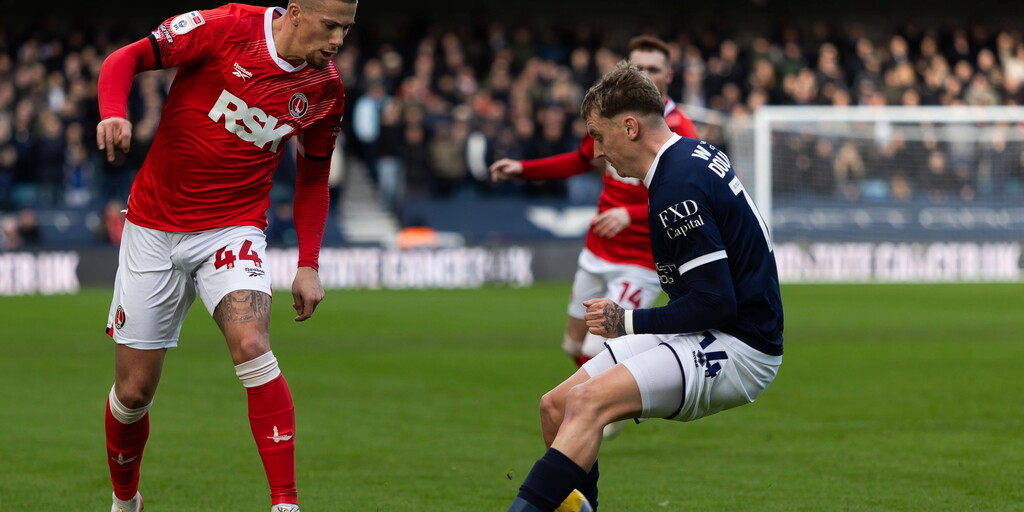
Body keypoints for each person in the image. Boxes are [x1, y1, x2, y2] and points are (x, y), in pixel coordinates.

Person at [95, 1, 356, 511]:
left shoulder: (325, 91)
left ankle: (285, 504)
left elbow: (312, 178)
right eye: (330, 27)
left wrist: (308, 262)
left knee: (253, 344)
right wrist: (113, 113)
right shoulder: (227, 28)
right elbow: (122, 60)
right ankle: (126, 501)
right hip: (153, 227)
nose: (338, 41)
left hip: (233, 231)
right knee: (133, 393)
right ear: (296, 13)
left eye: (346, 30)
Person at [506, 62, 784, 512]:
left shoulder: (677, 187)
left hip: (742, 344)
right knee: (556, 406)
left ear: (630, 127)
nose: (596, 151)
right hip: (712, 323)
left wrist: (626, 321)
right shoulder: (688, 155)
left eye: (598, 134)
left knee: (589, 403)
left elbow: (716, 302)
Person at [490, 36, 698, 439]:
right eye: (639, 67)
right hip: (598, 251)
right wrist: (524, 169)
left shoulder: (681, 130)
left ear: (668, 76)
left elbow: (689, 198)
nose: (647, 75)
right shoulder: (611, 117)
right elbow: (580, 159)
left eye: (654, 69)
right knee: (572, 344)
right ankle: (605, 407)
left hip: (642, 262)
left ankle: (597, 415)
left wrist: (632, 212)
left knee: (594, 347)